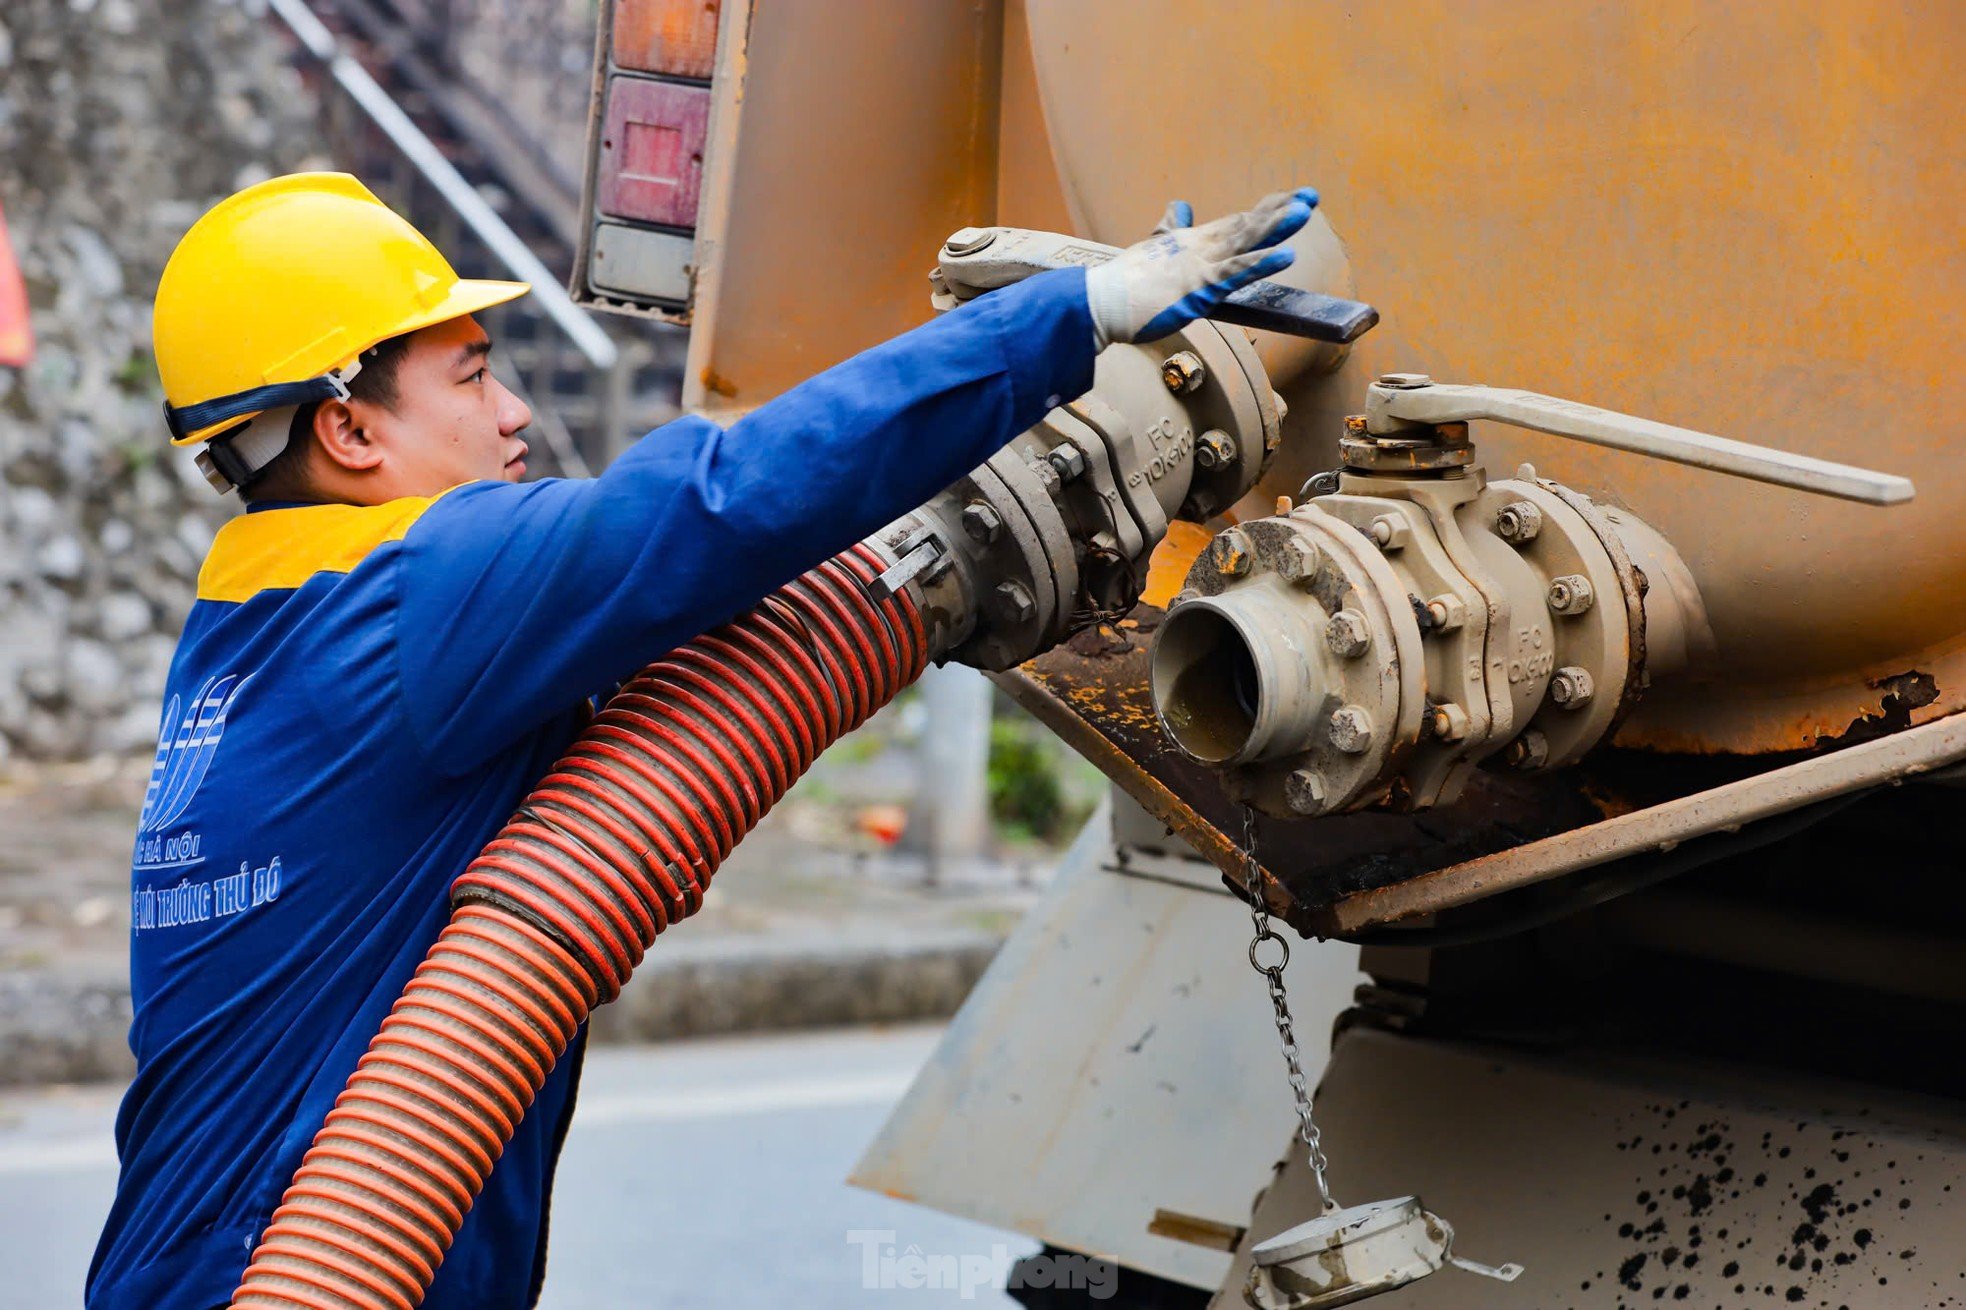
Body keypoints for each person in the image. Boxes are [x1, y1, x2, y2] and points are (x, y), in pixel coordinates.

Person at [86, 172, 1318, 1308]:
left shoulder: (252, 627)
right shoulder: (414, 594)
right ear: (349, 432)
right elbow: (721, 498)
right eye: (468, 375)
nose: (513, 411)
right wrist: (1074, 315)